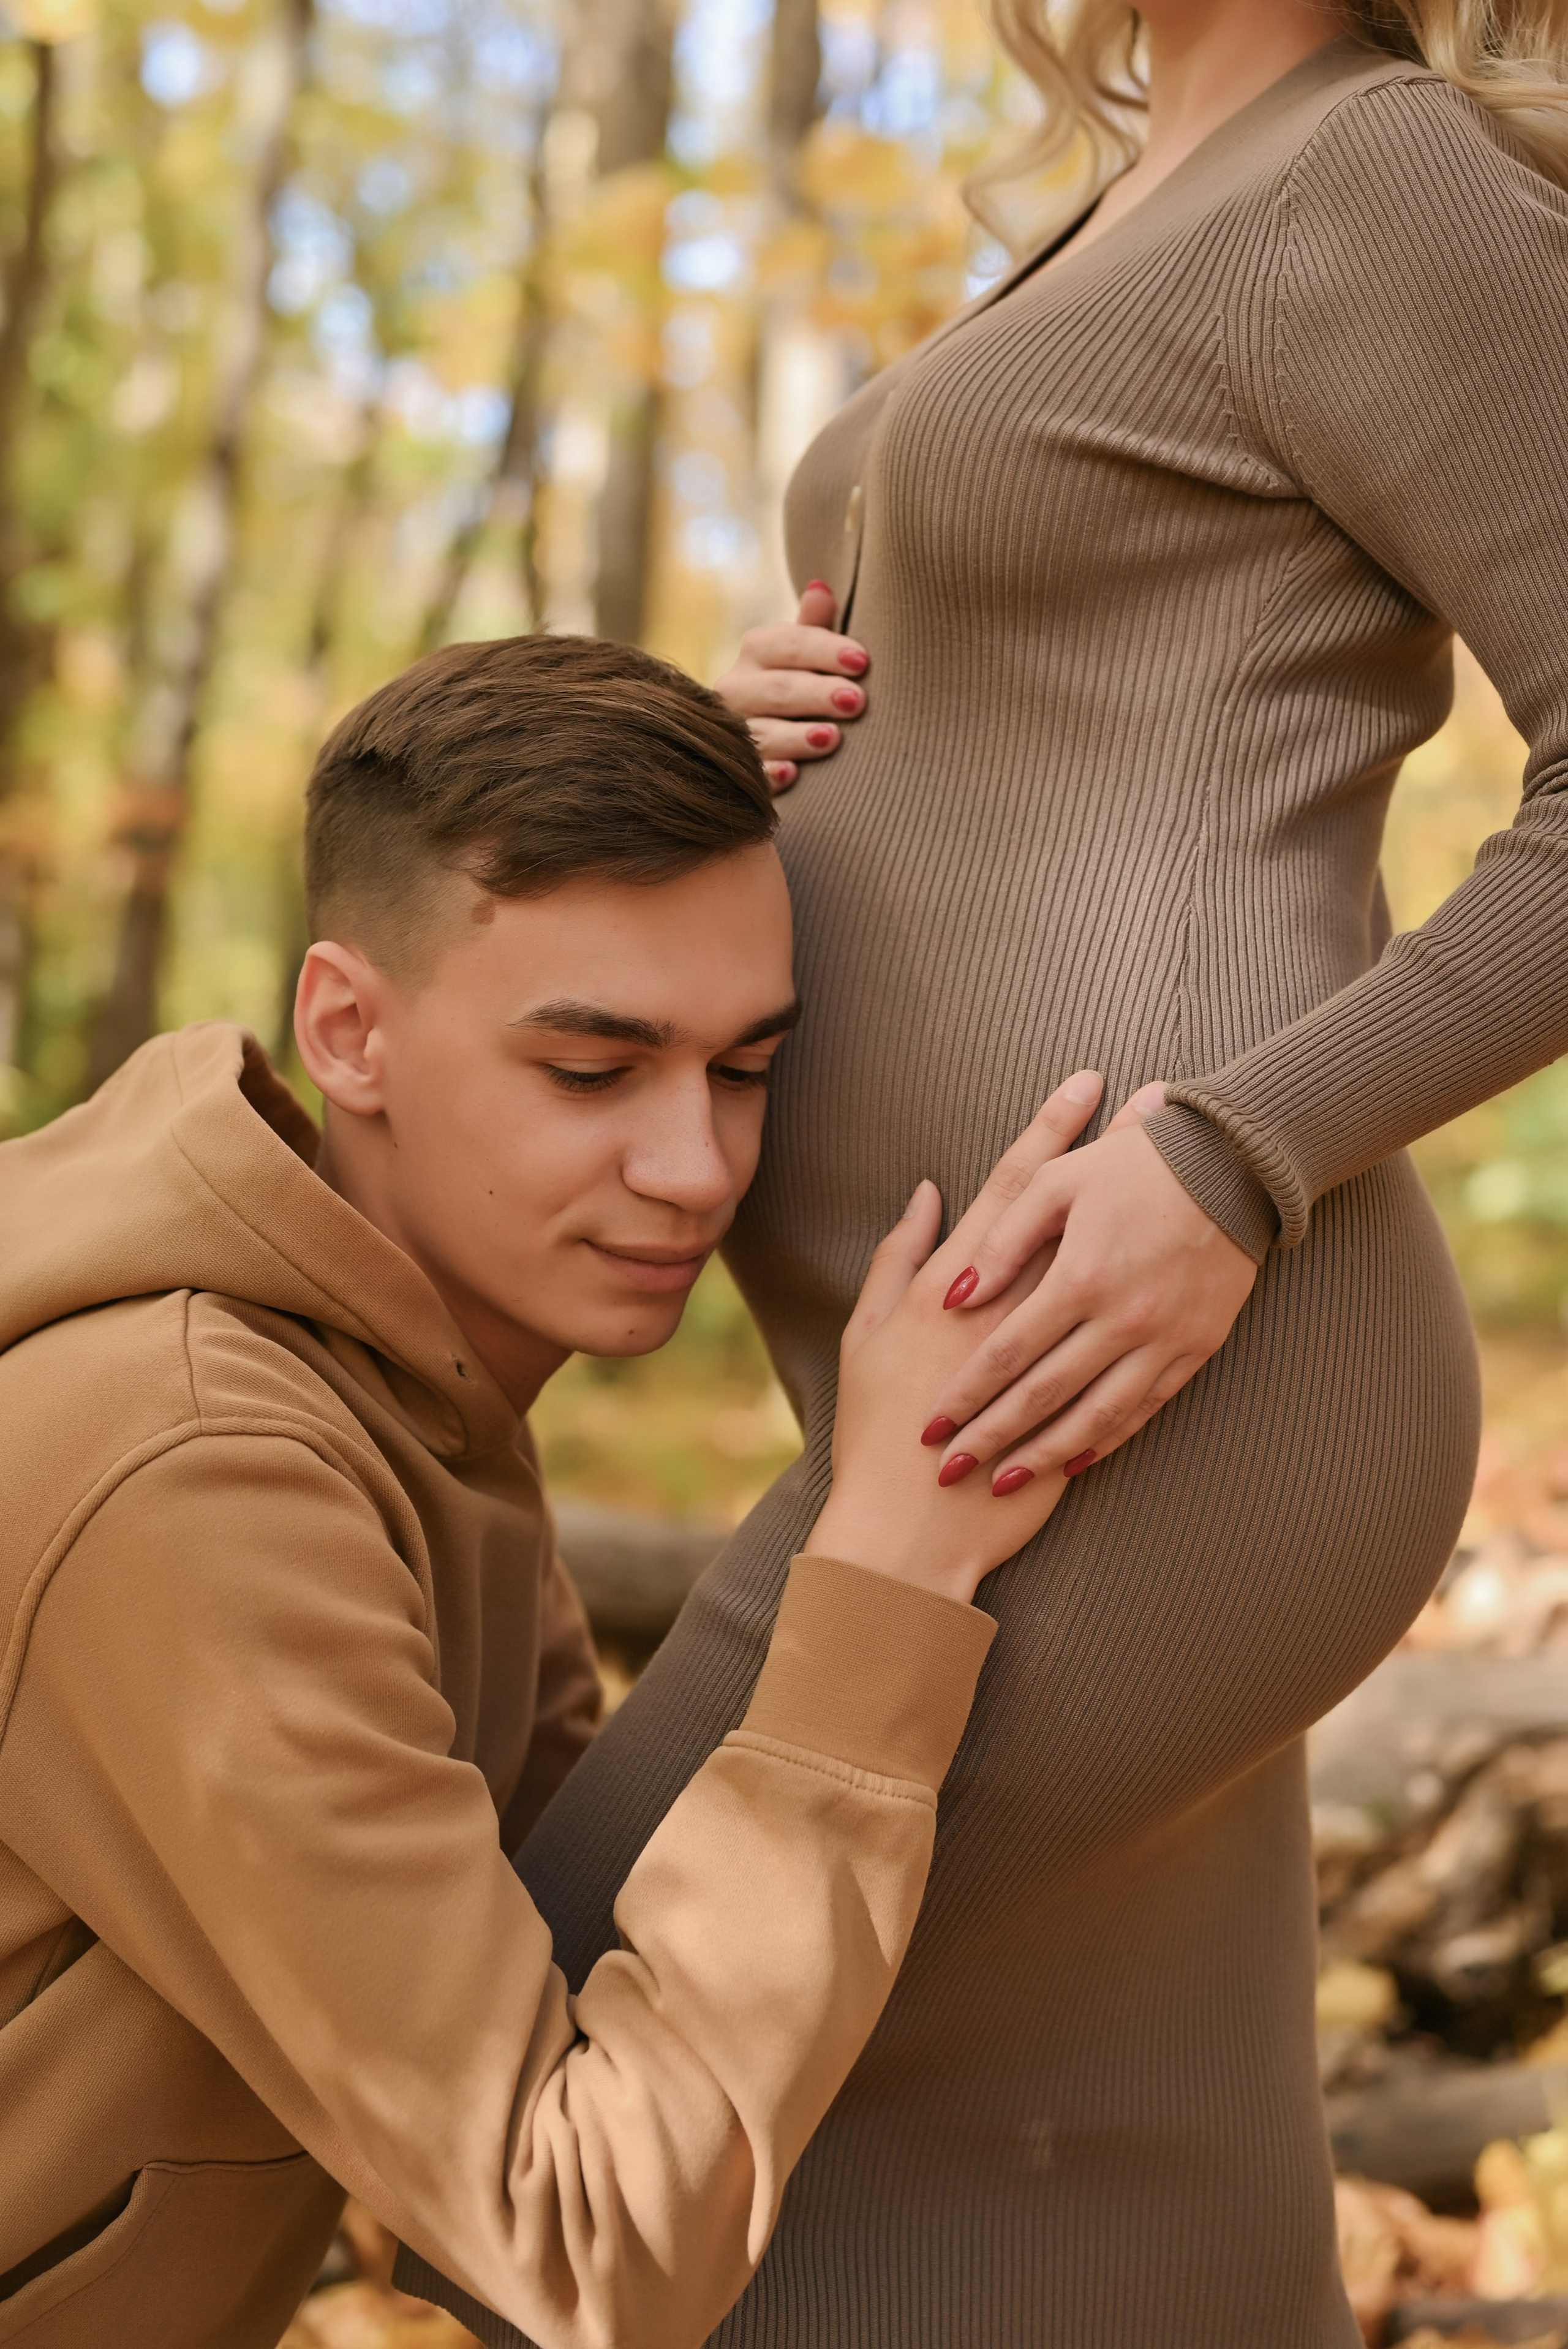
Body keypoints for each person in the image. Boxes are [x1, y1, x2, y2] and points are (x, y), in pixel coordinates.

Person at [462, 8, 1568, 2346]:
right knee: (1105, 2167)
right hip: (980, 1383)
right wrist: (729, 744)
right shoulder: (1138, 191)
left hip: (1140, 1373)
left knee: (571, 2051)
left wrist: (1238, 1158)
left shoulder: (1381, 173)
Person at [0, 633, 1104, 2349]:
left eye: (743, 1067)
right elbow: (588, 2247)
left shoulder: (405, 1381)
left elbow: (570, 1887)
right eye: (591, 1071)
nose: (696, 1169)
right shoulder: (200, 1475)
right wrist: (892, 1557)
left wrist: (638, 765)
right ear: (348, 1031)